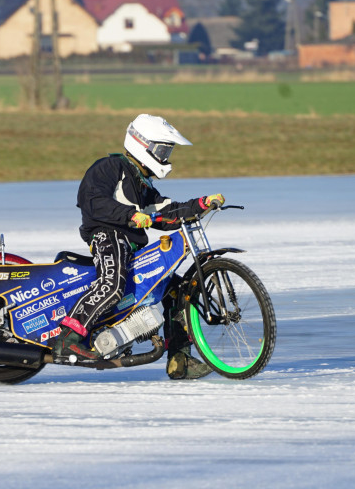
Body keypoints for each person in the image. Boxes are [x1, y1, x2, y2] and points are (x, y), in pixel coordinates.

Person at [48, 113, 225, 380]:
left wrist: (200, 204)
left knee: (177, 291)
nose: (165, 157)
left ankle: (180, 359)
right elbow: (92, 200)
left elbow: (165, 212)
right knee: (112, 284)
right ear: (142, 144)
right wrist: (130, 215)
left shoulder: (143, 183)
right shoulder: (110, 167)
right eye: (162, 150)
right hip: (106, 235)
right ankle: (67, 339)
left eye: (167, 151)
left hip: (130, 245)